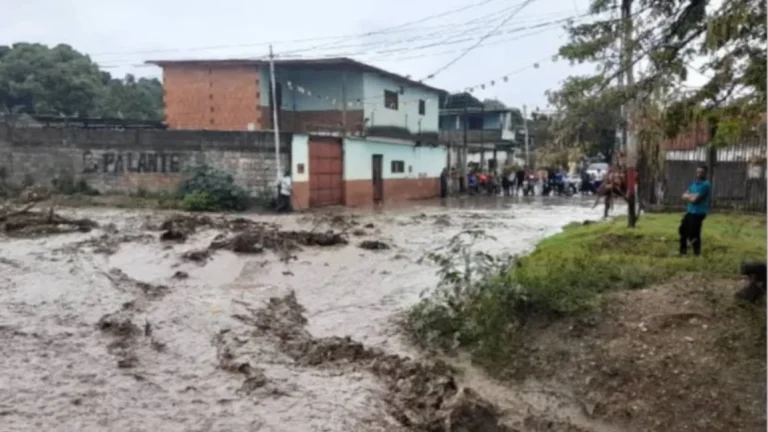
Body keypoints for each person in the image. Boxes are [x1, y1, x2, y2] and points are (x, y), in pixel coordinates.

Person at [679, 165, 711, 256]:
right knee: (682, 230)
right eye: (698, 172)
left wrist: (690, 196)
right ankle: (683, 252)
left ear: (705, 173)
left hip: (699, 213)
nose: (699, 174)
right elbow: (683, 195)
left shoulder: (706, 185)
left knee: (694, 234)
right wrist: (692, 196)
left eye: (701, 172)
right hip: (690, 211)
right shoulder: (694, 184)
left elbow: (696, 200)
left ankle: (696, 253)